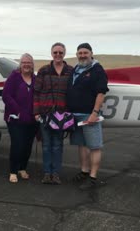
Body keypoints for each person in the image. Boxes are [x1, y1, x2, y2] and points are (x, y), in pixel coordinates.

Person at [66, 43, 109, 188]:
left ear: (91, 53)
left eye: (85, 52)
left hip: (89, 115)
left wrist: (94, 113)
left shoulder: (97, 70)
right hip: (75, 115)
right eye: (80, 53)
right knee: (81, 145)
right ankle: (84, 171)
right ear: (77, 54)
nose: (82, 55)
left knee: (94, 146)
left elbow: (101, 92)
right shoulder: (76, 69)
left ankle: (93, 177)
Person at [34, 42, 73, 185]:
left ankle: (55, 173)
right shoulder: (43, 70)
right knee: (46, 145)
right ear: (51, 53)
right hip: (45, 114)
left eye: (60, 52)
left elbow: (73, 93)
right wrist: (36, 112)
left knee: (57, 145)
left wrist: (70, 113)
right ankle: (46, 173)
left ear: (64, 53)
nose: (58, 55)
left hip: (61, 115)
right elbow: (36, 93)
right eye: (55, 52)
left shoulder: (70, 71)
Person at [2, 53, 38, 183]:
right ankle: (13, 170)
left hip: (32, 119)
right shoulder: (14, 77)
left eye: (29, 62)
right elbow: (6, 96)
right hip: (15, 118)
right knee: (18, 144)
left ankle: (22, 168)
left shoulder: (35, 79)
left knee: (28, 145)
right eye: (24, 62)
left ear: (32, 65)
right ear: (20, 64)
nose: (26, 65)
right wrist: (18, 111)